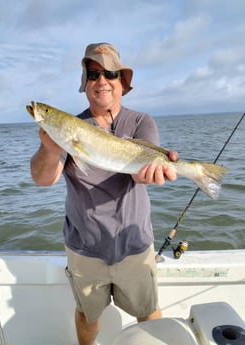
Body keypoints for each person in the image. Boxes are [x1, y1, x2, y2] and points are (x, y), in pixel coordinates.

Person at [31, 42, 178, 345]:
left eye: (110, 73)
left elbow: (139, 172)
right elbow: (43, 180)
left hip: (135, 246)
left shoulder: (141, 122)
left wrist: (153, 170)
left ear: (122, 83)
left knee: (148, 312)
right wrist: (50, 146)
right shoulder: (70, 128)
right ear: (85, 81)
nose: (102, 81)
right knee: (87, 317)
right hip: (85, 250)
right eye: (94, 73)